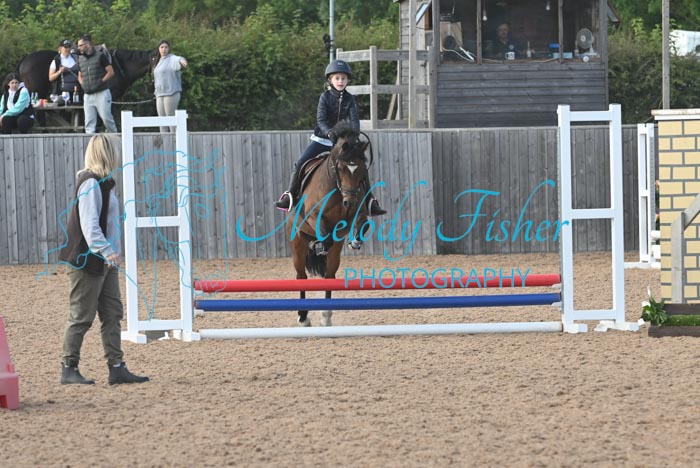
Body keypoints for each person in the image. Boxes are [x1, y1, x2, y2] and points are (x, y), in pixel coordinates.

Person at [58, 134, 149, 385]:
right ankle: (69, 367)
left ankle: (116, 367)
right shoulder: (90, 183)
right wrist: (108, 251)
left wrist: (110, 255)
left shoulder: (103, 183)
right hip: (88, 261)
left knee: (112, 314)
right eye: (114, 150)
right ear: (107, 153)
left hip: (105, 261)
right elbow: (90, 227)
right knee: (81, 316)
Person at [274, 60, 386, 217]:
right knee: (300, 163)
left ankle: (370, 201)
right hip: (322, 140)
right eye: (337, 78)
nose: (340, 81)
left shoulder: (350, 99)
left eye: (343, 78)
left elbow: (354, 119)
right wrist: (328, 133)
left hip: (342, 143)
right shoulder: (324, 97)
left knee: (359, 165)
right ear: (330, 80)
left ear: (347, 80)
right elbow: (321, 120)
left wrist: (354, 133)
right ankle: (290, 195)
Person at [77, 34, 118, 133]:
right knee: (89, 123)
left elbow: (111, 72)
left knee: (107, 119)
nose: (78, 48)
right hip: (88, 94)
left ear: (87, 44)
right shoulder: (80, 59)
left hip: (102, 93)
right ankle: (91, 142)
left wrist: (101, 82)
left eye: (80, 45)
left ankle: (115, 138)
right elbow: (80, 75)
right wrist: (83, 84)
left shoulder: (100, 56)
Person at [153, 39, 188, 133]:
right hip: (159, 94)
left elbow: (180, 59)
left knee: (171, 118)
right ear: (159, 49)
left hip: (171, 93)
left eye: (166, 47)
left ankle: (176, 139)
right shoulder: (158, 61)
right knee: (161, 121)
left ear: (169, 49)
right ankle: (164, 141)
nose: (164, 49)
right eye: (162, 47)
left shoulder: (172, 58)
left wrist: (183, 62)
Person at [48, 39, 81, 103]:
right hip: (62, 93)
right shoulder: (56, 61)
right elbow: (50, 78)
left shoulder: (76, 58)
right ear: (60, 48)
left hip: (76, 91)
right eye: (65, 47)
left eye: (69, 47)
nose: (68, 49)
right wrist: (59, 72)